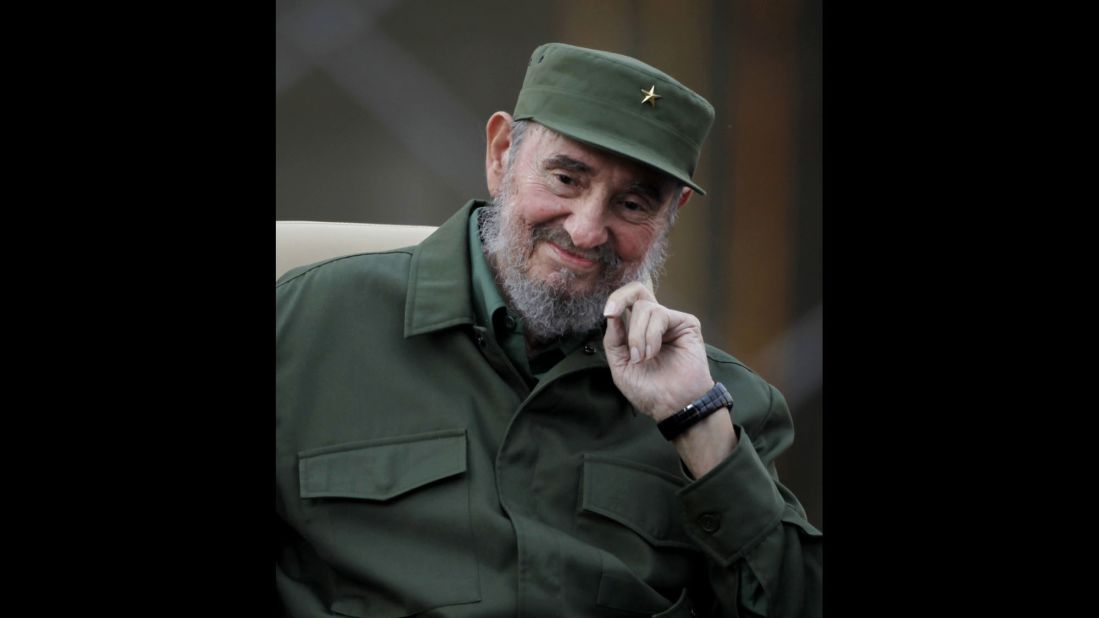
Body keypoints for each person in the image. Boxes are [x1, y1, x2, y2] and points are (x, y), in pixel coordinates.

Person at [276, 42, 822, 617]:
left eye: (632, 204)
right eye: (565, 179)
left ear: (672, 213)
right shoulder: (303, 327)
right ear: (501, 151)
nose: (587, 231)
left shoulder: (723, 405)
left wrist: (696, 426)